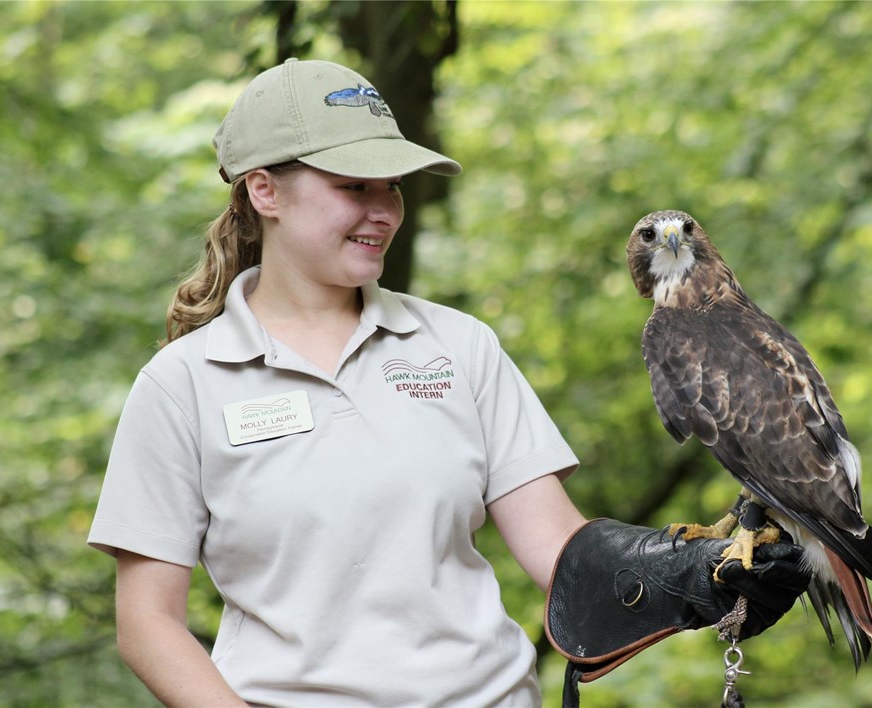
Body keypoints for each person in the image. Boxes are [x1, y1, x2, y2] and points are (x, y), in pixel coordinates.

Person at [88, 59, 808, 708]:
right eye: (353, 186)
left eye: (392, 187)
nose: (382, 210)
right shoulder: (182, 384)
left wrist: (690, 576)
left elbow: (561, 552)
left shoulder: (458, 346)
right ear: (265, 191)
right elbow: (147, 624)